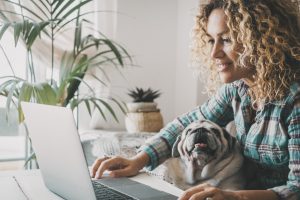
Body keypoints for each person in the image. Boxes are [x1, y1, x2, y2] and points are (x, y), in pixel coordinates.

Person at [91, 0, 300, 199]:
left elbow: (297, 189)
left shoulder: (295, 102)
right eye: (211, 40)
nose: (213, 53)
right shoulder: (237, 90)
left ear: (262, 40)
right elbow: (184, 125)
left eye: (226, 39)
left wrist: (235, 197)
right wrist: (138, 160)